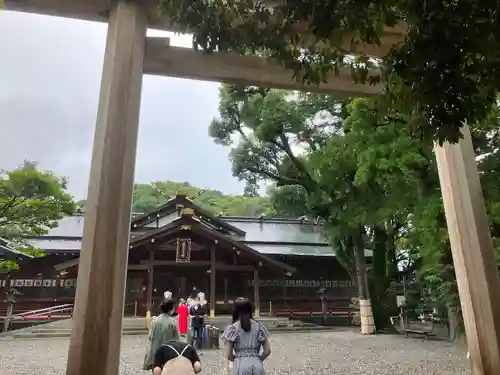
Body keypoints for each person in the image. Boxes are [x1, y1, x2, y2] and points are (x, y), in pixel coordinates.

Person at [222, 298, 271, 375]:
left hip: (240, 365)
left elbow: (228, 354)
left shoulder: (232, 328)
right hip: (257, 365)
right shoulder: (259, 327)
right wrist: (258, 359)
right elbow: (267, 351)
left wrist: (236, 359)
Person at [143, 298, 180, 371]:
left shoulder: (154, 320)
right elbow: (176, 340)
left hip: (155, 351)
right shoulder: (173, 322)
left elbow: (150, 337)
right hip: (168, 352)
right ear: (171, 309)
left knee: (156, 370)